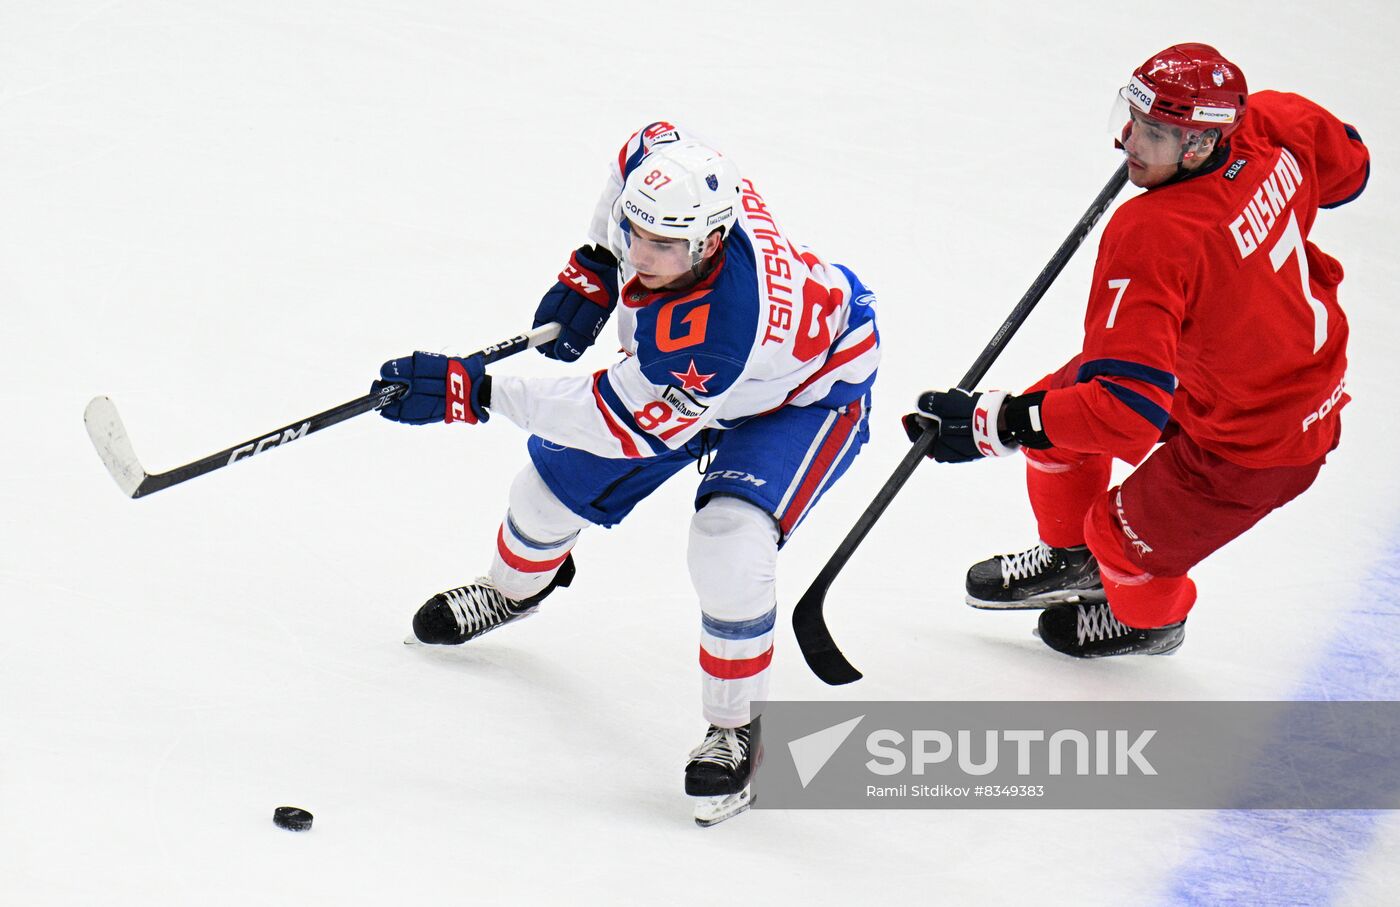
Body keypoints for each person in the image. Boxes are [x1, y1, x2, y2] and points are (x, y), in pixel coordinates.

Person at [372, 122, 880, 820]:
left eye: (660, 246)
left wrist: (476, 391)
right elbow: (644, 139)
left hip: (807, 394)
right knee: (545, 491)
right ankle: (514, 591)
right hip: (699, 384)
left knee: (728, 540)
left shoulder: (719, 327)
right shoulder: (678, 192)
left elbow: (614, 421)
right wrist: (593, 258)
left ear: (707, 242)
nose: (639, 253)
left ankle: (738, 728)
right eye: (633, 232)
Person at [906, 43, 1369, 658]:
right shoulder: (1266, 121)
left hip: (1263, 437)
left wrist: (995, 424)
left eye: (1152, 131)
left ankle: (1150, 623)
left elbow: (1124, 408)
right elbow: (1351, 168)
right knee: (1057, 412)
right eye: (1133, 118)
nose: (1128, 138)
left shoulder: (1155, 234)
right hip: (1230, 365)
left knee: (1118, 538)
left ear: (1201, 144)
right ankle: (1075, 562)